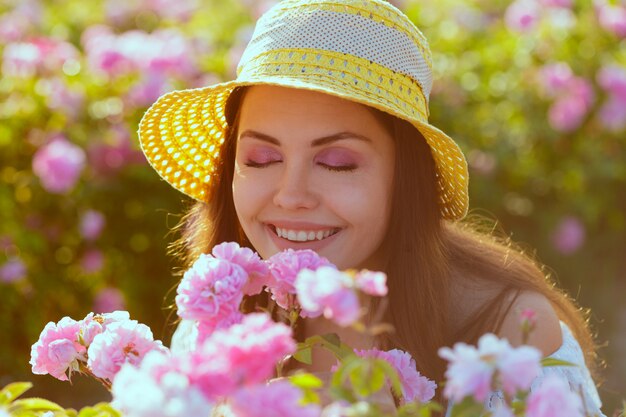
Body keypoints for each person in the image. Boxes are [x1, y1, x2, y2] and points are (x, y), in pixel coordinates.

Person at [137, 0, 605, 413]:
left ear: (405, 180)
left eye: (337, 162)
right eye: (261, 158)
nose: (291, 195)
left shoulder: (506, 337)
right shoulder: (228, 312)